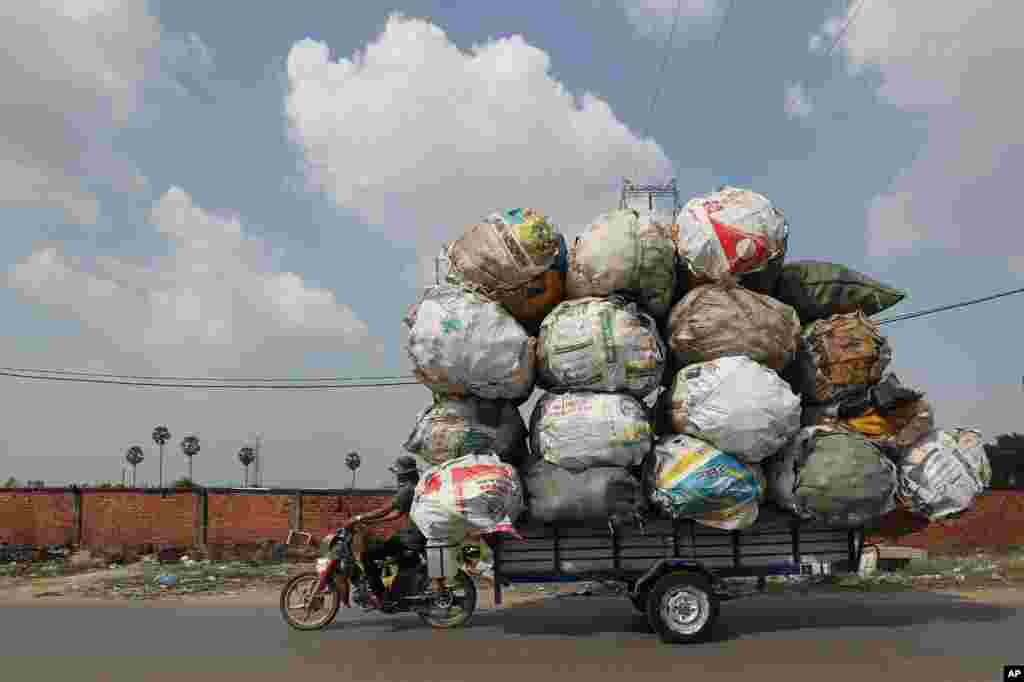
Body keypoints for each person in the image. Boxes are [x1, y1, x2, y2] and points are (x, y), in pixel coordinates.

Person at [343, 456, 439, 609]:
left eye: (398, 473)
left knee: (367, 555)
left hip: (412, 537)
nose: (397, 476)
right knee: (385, 547)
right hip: (413, 535)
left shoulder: (408, 489)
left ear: (404, 474)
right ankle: (389, 587)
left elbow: (386, 509)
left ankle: (381, 596)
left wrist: (358, 517)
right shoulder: (415, 487)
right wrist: (372, 522)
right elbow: (397, 513)